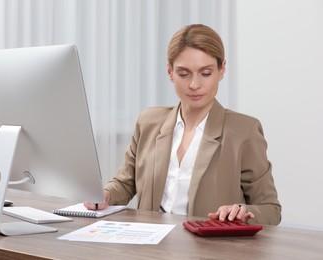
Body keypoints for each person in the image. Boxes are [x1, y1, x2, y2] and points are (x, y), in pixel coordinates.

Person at [85, 24, 281, 225]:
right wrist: (105, 194)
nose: (194, 84)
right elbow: (126, 184)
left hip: (207, 250)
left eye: (205, 73)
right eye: (184, 73)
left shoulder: (244, 131)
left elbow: (271, 210)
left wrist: (242, 211)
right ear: (170, 72)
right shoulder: (149, 121)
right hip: (150, 246)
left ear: (222, 70)